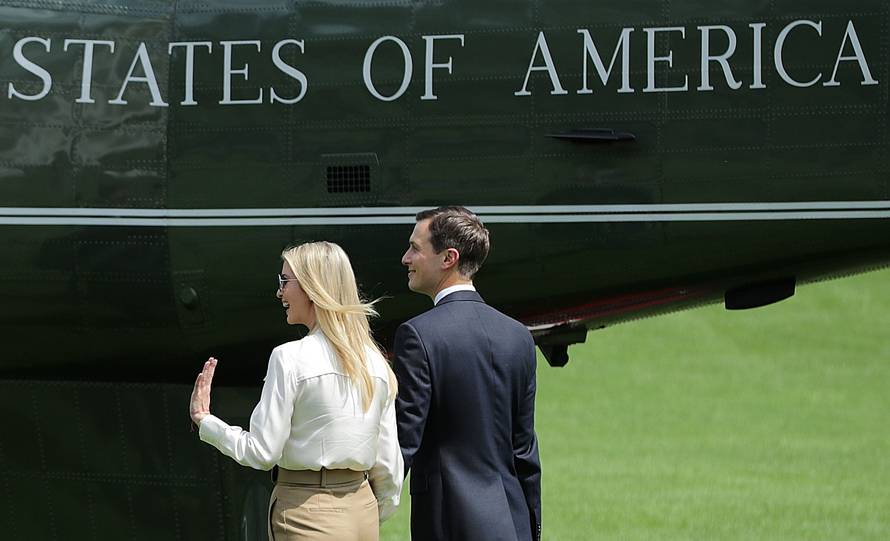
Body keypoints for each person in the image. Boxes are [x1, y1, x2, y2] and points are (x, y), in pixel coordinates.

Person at [189, 241, 403, 541]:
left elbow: (262, 452)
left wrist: (205, 420)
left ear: (312, 287)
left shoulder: (288, 358)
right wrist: (368, 512)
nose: (279, 292)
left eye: (285, 281)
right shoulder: (375, 362)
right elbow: (389, 465)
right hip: (363, 510)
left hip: (306, 510)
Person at [394, 206, 542, 541]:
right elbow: (525, 450)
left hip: (447, 523)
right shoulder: (518, 335)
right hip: (513, 522)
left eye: (415, 248)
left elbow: (404, 440)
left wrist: (366, 503)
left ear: (449, 258)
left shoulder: (418, 335)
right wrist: (531, 528)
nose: (405, 258)